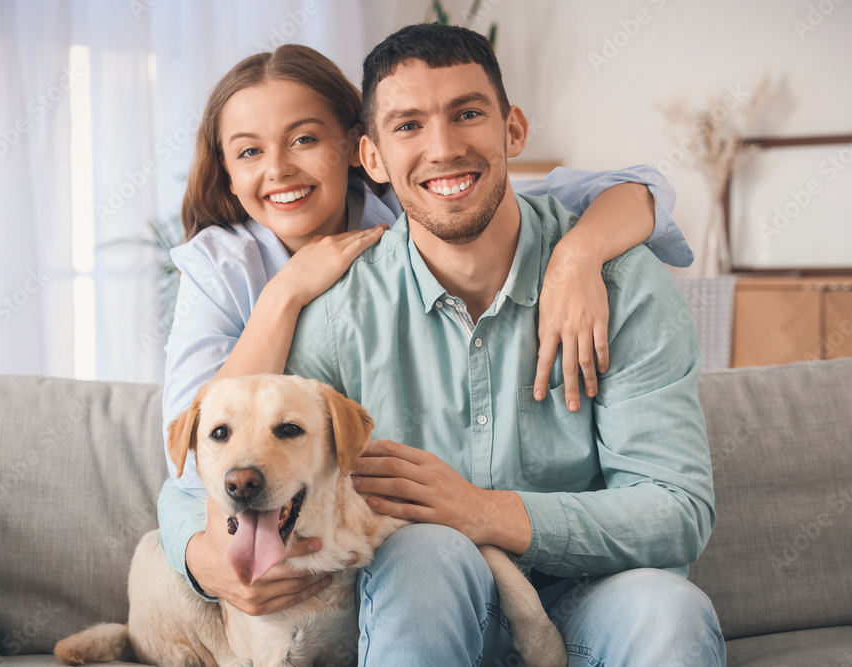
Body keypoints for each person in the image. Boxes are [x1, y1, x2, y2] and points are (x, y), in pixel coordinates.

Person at [156, 41, 700, 659]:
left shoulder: (613, 280)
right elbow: (190, 470)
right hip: (422, 588)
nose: (442, 148)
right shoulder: (307, 301)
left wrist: (579, 257)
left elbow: (676, 508)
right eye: (409, 125)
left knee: (669, 609)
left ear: (513, 129)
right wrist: (207, 559)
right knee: (423, 552)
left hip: (594, 594)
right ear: (376, 153)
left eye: (468, 114)